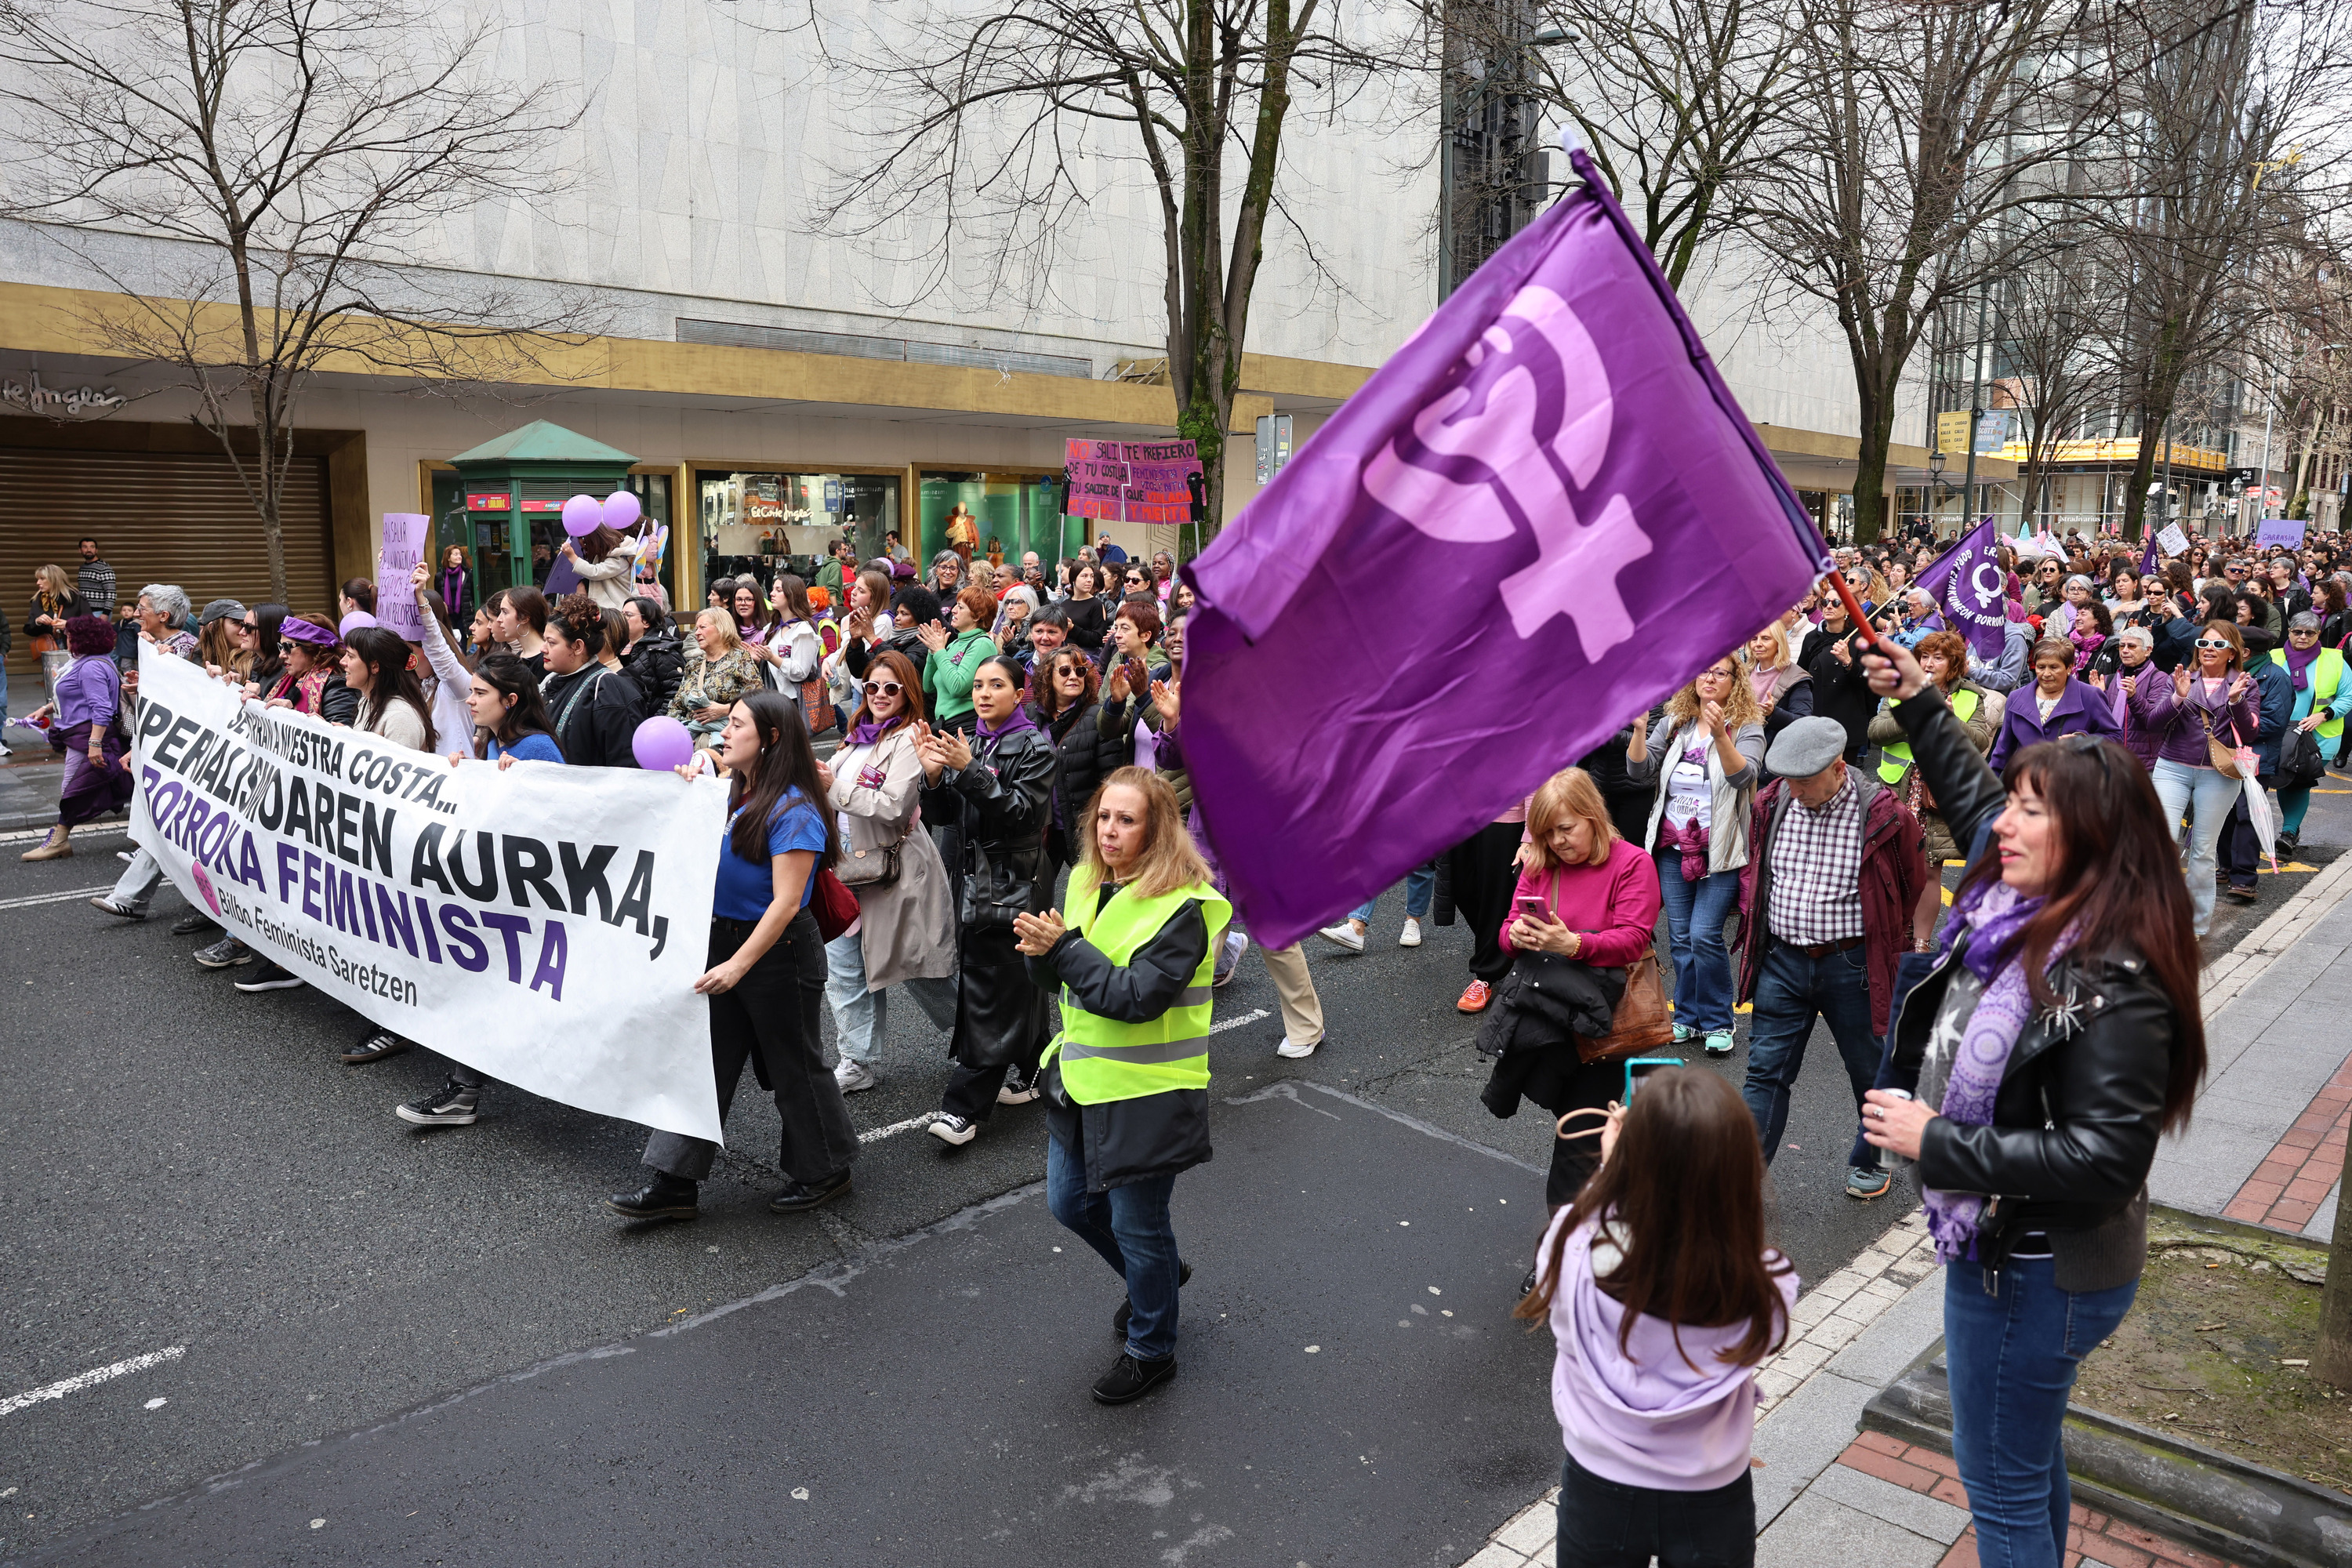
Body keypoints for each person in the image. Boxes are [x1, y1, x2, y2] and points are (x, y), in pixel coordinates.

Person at [1857, 640, 2205, 1568]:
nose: (2001, 825)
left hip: (2034, 1266)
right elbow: (1976, 807)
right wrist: (1922, 700)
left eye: (2030, 810)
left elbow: (2105, 1158)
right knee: (2026, 1456)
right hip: (2018, 1250)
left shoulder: (2113, 969)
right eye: (2011, 800)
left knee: (2000, 1483)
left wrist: (1940, 1140)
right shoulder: (2037, 899)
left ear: (2089, 835)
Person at [1519, 1069, 1797, 1568]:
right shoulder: (1766, 1282)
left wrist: (1612, 1170)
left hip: (1598, 1482)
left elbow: (1585, 1225)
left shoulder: (1571, 1246)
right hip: (1712, 1493)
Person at [1014, 766, 1227, 1406]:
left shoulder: (1186, 908)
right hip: (1083, 1079)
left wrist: (1062, 949)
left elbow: (1136, 998)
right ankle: (1157, 1273)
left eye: (1126, 820)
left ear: (1157, 830)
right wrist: (1040, 954)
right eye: (1104, 816)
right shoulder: (1086, 878)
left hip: (1148, 1093)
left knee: (1138, 1225)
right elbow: (1063, 978)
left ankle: (1152, 1349)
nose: (1109, 831)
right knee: (1070, 1205)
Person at [608, 691, 857, 1218]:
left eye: (737, 724)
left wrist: (738, 965)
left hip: (778, 954)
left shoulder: (795, 809)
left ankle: (827, 1170)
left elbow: (787, 902)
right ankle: (674, 1184)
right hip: (724, 943)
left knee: (795, 1065)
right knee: (701, 1064)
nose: (724, 731)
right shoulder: (733, 792)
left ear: (770, 739)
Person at [1734, 716, 1927, 1201]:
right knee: (1765, 1072)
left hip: (1854, 965)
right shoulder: (1772, 802)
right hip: (1782, 960)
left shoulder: (1884, 814)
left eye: (1805, 781)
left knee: (1869, 1073)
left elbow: (1911, 885)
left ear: (1839, 767)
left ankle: (1873, 1158)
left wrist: (1888, 943)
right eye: (1788, 779)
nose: (1795, 791)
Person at [1476, 768, 1664, 1210]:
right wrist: (1515, 936)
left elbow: (1634, 939)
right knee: (1575, 1121)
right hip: (1549, 1016)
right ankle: (1622, 1186)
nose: (1557, 841)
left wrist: (1574, 944)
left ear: (1592, 816)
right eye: (1547, 833)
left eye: (1565, 829)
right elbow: (1506, 930)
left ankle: (1564, 1240)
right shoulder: (1541, 862)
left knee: (1577, 1137)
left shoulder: (1632, 862)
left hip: (1607, 1019)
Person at [919, 654, 1057, 1146]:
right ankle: (1042, 1067)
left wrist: (969, 769)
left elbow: (1021, 814)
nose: (983, 693)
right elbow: (945, 816)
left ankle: (964, 1108)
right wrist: (933, 777)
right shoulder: (971, 741)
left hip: (1013, 880)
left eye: (996, 685)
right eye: (978, 685)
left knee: (990, 989)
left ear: (1019, 694)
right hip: (973, 879)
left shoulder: (1036, 747)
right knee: (1011, 981)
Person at [822, 650, 960, 1094]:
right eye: (872, 686)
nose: (879, 695)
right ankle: (856, 1060)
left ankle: (983, 1045)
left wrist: (833, 786)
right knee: (845, 969)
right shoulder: (854, 736)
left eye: (890, 688)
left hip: (895, 870)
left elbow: (894, 806)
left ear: (908, 693)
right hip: (844, 866)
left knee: (923, 970)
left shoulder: (910, 739)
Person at [1626, 655, 1765, 1055]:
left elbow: (1745, 777)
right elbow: (1640, 772)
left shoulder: (1747, 726)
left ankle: (1719, 1021)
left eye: (1720, 672)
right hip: (1672, 848)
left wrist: (1721, 735)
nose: (1710, 678)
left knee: (1704, 935)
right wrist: (1639, 731)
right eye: (1704, 671)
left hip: (1719, 848)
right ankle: (1687, 1015)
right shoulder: (1676, 722)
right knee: (1681, 938)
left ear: (1735, 681)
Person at [1870, 630, 2002, 949]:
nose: (1928, 664)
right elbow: (1876, 732)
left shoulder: (1971, 695)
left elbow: (1980, 741)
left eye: (1938, 658)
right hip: (1899, 789)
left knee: (1930, 869)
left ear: (1953, 664)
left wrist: (1950, 719)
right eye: (1924, 657)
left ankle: (1921, 942)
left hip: (1939, 793)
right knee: (1893, 867)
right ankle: (1897, 936)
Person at [2136, 620, 2259, 938]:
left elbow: (2249, 733)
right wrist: (2177, 698)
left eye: (2218, 645)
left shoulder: (2244, 684)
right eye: (2204, 643)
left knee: (2203, 851)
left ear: (2232, 652)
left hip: (2218, 775)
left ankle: (2195, 924)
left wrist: (2236, 702)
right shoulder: (2181, 678)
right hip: (2172, 768)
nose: (2209, 650)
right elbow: (2153, 723)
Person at [20, 615, 132, 862]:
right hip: (80, 734)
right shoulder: (89, 661)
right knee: (103, 785)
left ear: (82, 639)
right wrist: (45, 709)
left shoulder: (91, 667)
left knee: (73, 789)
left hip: (86, 736)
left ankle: (59, 842)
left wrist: (94, 744)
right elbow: (75, 695)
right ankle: (141, 833)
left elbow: (101, 708)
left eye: (69, 635)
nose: (66, 639)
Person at [1033, 644, 1129, 886]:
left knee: (1091, 892)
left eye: (1080, 671)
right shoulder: (1032, 716)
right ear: (1048, 677)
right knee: (1034, 897)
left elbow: (1111, 779)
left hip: (1083, 828)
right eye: (1065, 671)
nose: (1074, 677)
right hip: (1042, 827)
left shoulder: (1098, 717)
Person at [2218, 633, 2292, 906]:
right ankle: (2226, 866)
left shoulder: (2276, 678)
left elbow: (2272, 722)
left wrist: (2230, 722)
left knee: (2247, 816)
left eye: (2229, 645)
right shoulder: (2227, 673)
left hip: (2255, 759)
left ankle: (2244, 879)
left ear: (2245, 652)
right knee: (2223, 812)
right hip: (2225, 756)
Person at [2271, 612, 2348, 854]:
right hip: (2280, 734)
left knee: (2298, 781)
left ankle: (2289, 832)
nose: (2303, 637)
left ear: (2318, 634)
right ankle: (2289, 831)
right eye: (2297, 632)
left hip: (2319, 737)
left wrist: (2324, 715)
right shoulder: (2273, 657)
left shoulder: (2335, 660)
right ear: (2289, 632)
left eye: (2310, 633)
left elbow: (2348, 696)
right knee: (2285, 780)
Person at [539, 592, 644, 768]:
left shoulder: (607, 692)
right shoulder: (550, 683)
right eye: (544, 641)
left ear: (578, 646)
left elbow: (626, 767)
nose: (543, 648)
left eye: (551, 642)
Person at [1988, 638, 2125, 770]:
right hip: (2028, 781)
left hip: (2073, 780)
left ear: (2069, 668)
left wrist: (2084, 741)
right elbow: (2002, 752)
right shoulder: (2016, 698)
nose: (2046, 673)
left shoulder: (2090, 696)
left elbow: (2115, 737)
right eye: (2041, 667)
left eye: (2054, 667)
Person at [668, 608, 764, 751]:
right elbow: (676, 707)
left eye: (703, 627)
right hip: (690, 743)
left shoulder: (740, 659)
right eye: (696, 628)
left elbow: (757, 701)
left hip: (725, 744)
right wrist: (677, 734)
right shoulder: (693, 665)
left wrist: (725, 710)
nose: (697, 633)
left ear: (721, 629)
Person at [919, 585, 998, 733]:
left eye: (960, 607)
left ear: (977, 616)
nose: (953, 610)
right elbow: (928, 687)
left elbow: (957, 687)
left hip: (966, 728)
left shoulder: (982, 644)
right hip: (946, 726)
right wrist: (932, 650)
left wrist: (939, 651)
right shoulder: (954, 643)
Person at [27, 564, 85, 705]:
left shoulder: (77, 598)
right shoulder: (38, 601)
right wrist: (37, 621)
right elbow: (28, 629)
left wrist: (69, 625)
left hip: (75, 650)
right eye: (38, 579)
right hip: (50, 652)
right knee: (52, 689)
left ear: (54, 579)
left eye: (42, 579)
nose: (38, 583)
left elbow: (91, 626)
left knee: (73, 687)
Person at [619, 594, 683, 717]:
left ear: (646, 622)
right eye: (621, 615)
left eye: (628, 615)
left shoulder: (662, 651)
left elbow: (676, 694)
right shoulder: (621, 648)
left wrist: (654, 722)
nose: (622, 619)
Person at [558, 519, 641, 612]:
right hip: (613, 609)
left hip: (620, 610)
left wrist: (572, 557)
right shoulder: (606, 555)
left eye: (587, 546)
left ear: (595, 541)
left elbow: (595, 572)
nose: (586, 550)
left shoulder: (619, 558)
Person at [484, 585, 548, 673]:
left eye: (505, 612)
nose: (499, 619)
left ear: (524, 618)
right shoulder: (519, 656)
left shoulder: (545, 659)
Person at [1063, 562, 1111, 652]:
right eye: (1084, 576)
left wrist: (1073, 628)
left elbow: (1098, 638)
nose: (1089, 580)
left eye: (1092, 576)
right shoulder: (1064, 604)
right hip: (1065, 652)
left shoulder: (1096, 604)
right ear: (1074, 579)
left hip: (1088, 655)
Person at [74, 537, 115, 617]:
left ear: (96, 550)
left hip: (99, 612)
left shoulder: (104, 568)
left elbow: (111, 593)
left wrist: (106, 613)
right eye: (85, 547)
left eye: (92, 547)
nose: (89, 550)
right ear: (80, 550)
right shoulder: (82, 568)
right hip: (84, 611)